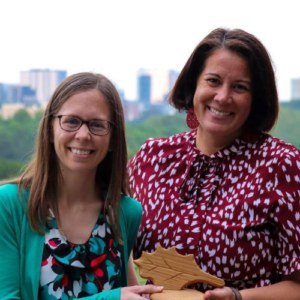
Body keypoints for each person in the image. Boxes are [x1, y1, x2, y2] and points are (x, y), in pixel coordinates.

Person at [128, 28, 300, 300]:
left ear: (256, 99)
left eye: (240, 87)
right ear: (194, 84)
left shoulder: (282, 166)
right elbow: (116, 243)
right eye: (213, 81)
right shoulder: (152, 158)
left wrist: (238, 297)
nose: (222, 96)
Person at [0, 72, 163, 299]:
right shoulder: (10, 205)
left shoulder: (125, 213)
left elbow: (128, 288)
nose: (83, 135)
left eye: (97, 125)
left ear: (113, 138)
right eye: (71, 121)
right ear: (49, 129)